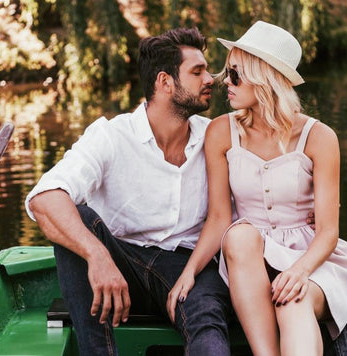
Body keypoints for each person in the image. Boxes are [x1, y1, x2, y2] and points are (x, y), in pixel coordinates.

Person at [25, 27, 234, 355]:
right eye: (197, 72)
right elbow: (44, 198)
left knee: (207, 320)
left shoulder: (216, 137)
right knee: (75, 219)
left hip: (190, 265)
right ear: (165, 82)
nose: (211, 79)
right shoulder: (111, 136)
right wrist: (98, 256)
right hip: (122, 263)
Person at [167, 21, 347, 355]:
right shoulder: (220, 132)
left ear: (264, 78)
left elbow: (328, 232)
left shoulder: (319, 137)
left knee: (293, 301)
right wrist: (190, 272)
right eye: (225, 72)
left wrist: (298, 271)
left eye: (234, 74)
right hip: (247, 261)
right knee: (238, 233)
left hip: (311, 260)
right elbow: (218, 217)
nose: (222, 82)